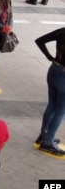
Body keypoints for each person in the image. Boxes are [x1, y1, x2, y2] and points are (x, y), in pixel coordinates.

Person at [34, 27, 65, 155]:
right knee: (60, 111)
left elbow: (39, 40)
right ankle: (47, 142)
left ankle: (44, 135)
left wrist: (49, 57)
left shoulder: (62, 31)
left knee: (51, 105)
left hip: (54, 69)